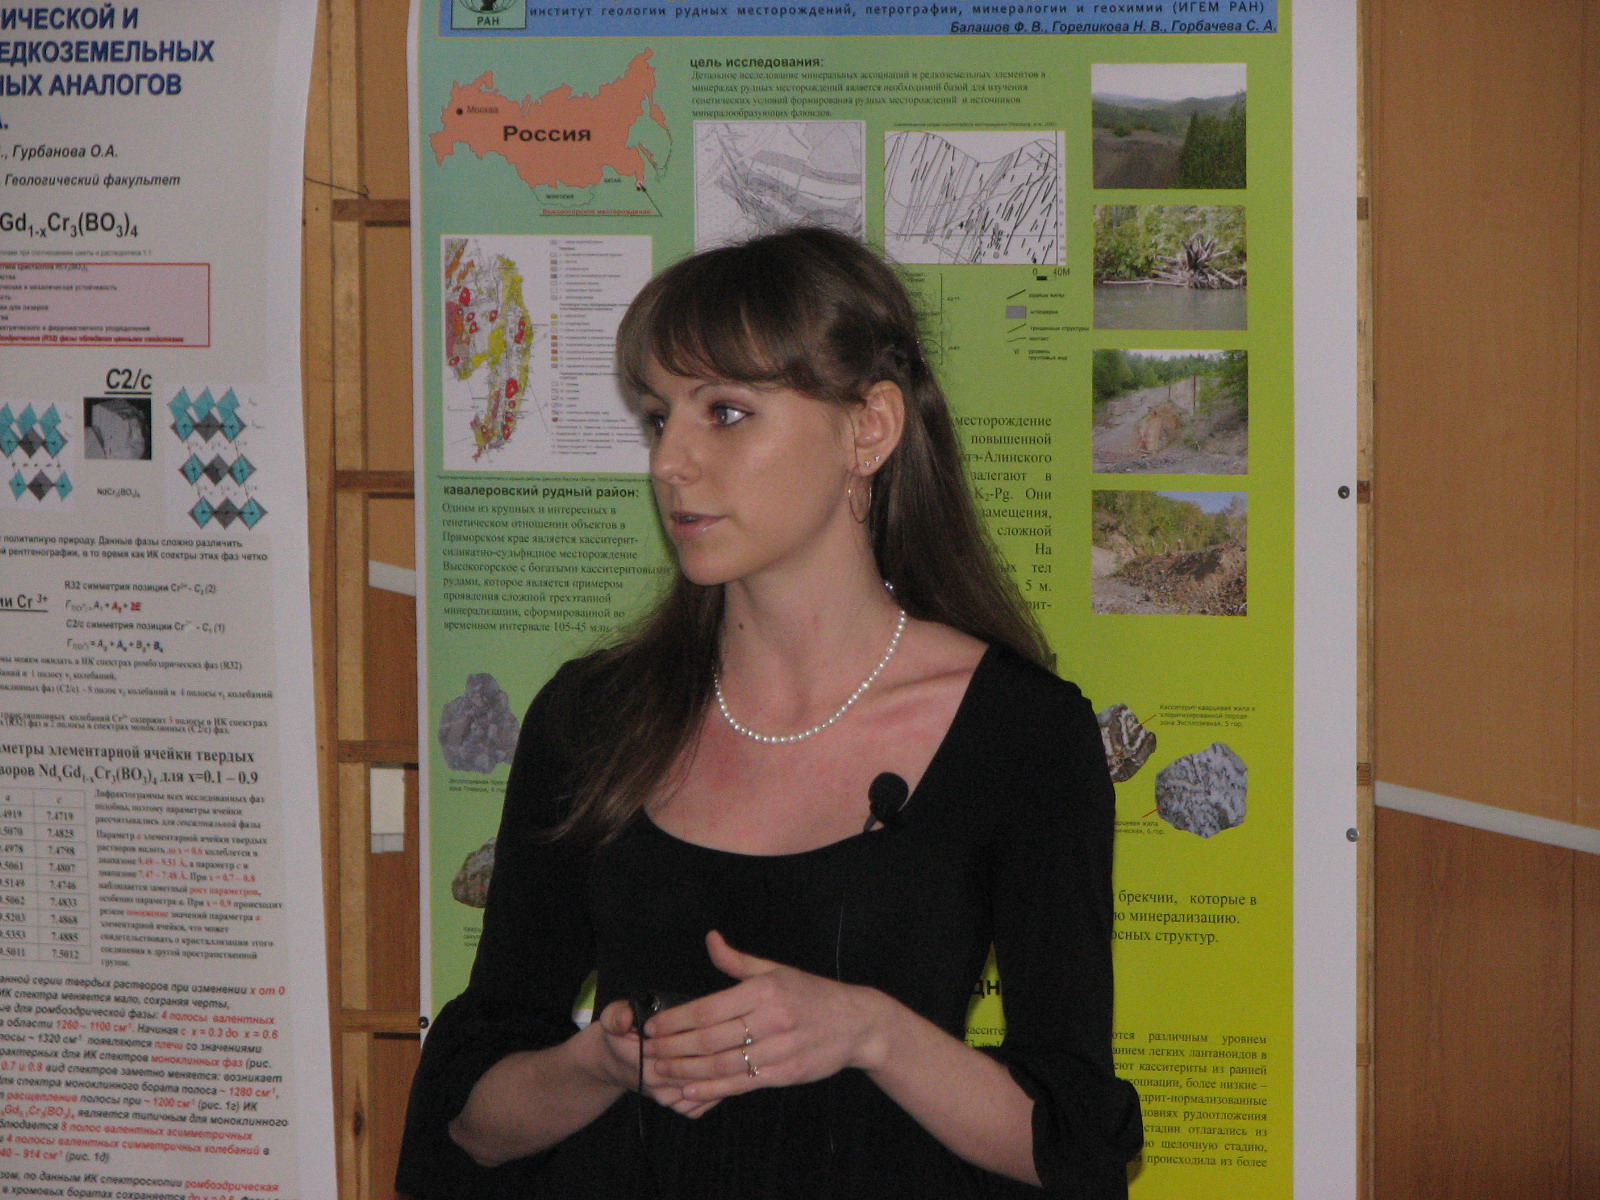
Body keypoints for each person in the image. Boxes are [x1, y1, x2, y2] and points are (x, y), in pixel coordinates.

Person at [397, 227, 1143, 1199]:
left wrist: (870, 1033)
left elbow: (1071, 1147)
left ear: (869, 429)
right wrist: (601, 1064)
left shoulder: (1022, 735)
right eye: (658, 418)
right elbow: (466, 1127)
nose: (671, 462)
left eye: (726, 412)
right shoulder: (590, 721)